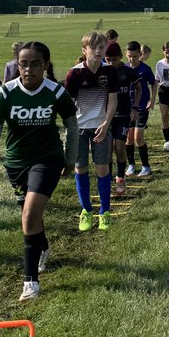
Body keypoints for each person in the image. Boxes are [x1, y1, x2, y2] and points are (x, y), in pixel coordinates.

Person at [0, 41, 79, 302]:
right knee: (30, 216)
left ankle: (30, 282)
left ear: (45, 65)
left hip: (47, 160)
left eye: (35, 64)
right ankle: (43, 246)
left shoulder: (56, 92)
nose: (28, 69)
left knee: (28, 216)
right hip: (16, 163)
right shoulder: (6, 94)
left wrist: (70, 159)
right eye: (23, 64)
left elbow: (72, 125)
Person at [64, 32, 119, 232]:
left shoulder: (110, 72)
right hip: (79, 128)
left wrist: (106, 123)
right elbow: (68, 105)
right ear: (84, 50)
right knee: (81, 168)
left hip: (101, 126)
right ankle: (86, 210)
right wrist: (70, 130)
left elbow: (113, 100)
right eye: (93, 47)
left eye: (101, 47)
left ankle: (104, 212)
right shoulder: (75, 74)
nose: (98, 51)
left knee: (102, 169)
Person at [104, 42, 139, 194]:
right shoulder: (102, 71)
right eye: (108, 59)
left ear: (120, 57)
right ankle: (108, 178)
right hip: (106, 116)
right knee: (107, 149)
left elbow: (139, 88)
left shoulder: (128, 71)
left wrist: (135, 107)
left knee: (119, 147)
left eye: (114, 59)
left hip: (123, 114)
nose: (111, 62)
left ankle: (120, 177)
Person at [124, 41, 155, 177]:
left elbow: (154, 84)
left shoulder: (145, 69)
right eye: (130, 56)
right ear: (126, 54)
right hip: (127, 108)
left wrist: (152, 100)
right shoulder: (124, 68)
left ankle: (145, 166)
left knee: (138, 137)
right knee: (128, 139)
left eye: (135, 56)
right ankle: (131, 165)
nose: (132, 59)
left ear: (140, 55)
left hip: (142, 107)